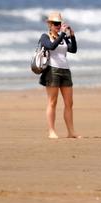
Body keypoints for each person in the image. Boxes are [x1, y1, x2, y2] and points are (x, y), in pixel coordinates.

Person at [39, 11, 80, 139]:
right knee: (53, 102)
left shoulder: (63, 38)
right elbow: (51, 46)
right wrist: (62, 34)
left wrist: (72, 36)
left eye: (59, 23)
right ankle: (51, 131)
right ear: (50, 25)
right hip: (52, 71)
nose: (58, 26)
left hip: (65, 70)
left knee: (69, 103)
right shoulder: (45, 36)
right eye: (55, 24)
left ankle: (71, 132)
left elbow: (73, 50)